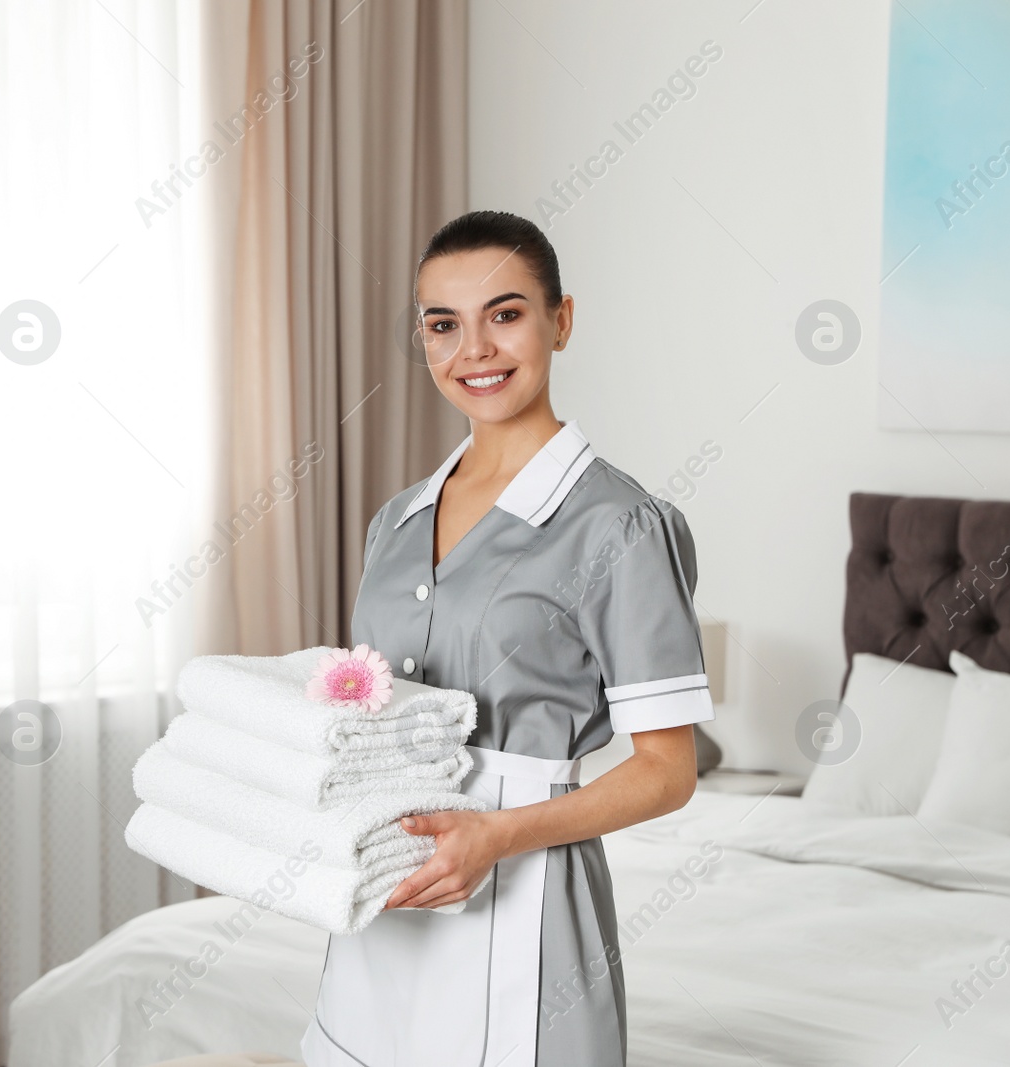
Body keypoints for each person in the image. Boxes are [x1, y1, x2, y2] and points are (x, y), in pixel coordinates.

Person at [298, 210, 713, 1066]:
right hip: (385, 898)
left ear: (561, 320)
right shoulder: (395, 521)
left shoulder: (621, 525)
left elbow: (668, 773)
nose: (474, 349)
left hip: (524, 907)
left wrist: (494, 835)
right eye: (443, 324)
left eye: (506, 313)